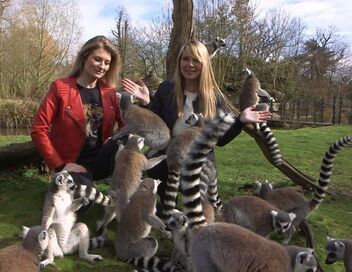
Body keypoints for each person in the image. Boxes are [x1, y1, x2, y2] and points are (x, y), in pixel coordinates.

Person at [121, 39, 272, 202]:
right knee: (157, 169)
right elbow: (155, 124)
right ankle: (164, 203)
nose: (190, 64)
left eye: (196, 60)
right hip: (170, 153)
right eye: (185, 59)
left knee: (201, 208)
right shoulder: (166, 89)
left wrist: (241, 120)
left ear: (205, 64)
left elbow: (219, 140)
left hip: (199, 158)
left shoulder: (215, 98)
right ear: (179, 62)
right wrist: (147, 102)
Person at [31, 36, 136, 209]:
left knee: (131, 142)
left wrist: (116, 138)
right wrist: (61, 164)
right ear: (84, 57)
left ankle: (132, 200)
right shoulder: (60, 88)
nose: (102, 66)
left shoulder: (109, 93)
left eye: (107, 62)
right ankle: (63, 184)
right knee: (85, 204)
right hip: (73, 163)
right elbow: (38, 130)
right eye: (97, 59)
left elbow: (126, 124)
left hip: (101, 159)